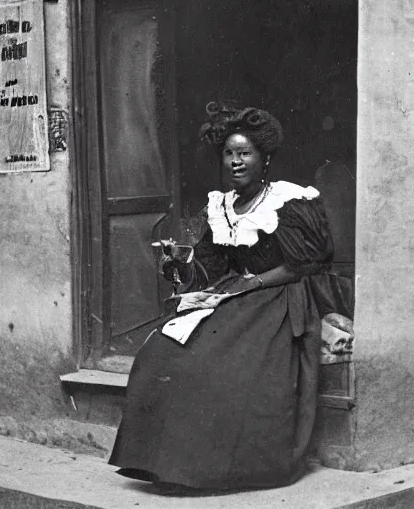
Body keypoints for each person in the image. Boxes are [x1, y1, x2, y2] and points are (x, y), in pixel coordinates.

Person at [108, 102, 352, 491]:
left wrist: (253, 284)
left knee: (217, 364)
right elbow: (210, 264)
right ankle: (160, 464)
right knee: (161, 353)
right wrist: (182, 266)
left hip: (281, 298)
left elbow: (305, 263)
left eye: (245, 153)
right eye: (229, 154)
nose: (236, 162)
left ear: (265, 158)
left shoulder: (287, 201)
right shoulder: (220, 206)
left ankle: (206, 470)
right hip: (235, 294)